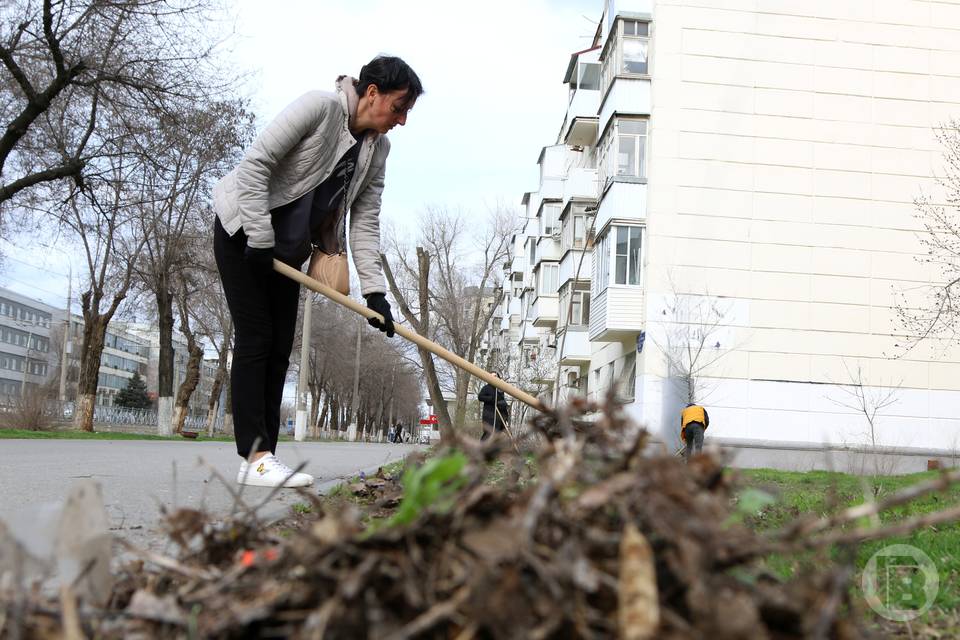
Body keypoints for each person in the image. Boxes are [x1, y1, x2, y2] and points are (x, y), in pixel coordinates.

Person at [212, 56, 423, 487]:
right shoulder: (319, 108)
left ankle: (261, 460)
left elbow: (364, 220)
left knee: (278, 350)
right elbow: (256, 165)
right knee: (256, 339)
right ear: (372, 93)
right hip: (244, 232)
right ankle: (256, 457)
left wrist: (375, 293)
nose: (401, 120)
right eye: (399, 107)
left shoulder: (377, 150)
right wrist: (258, 235)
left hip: (286, 252)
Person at [478, 373, 510, 440]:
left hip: (500, 416)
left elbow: (501, 400)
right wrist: (491, 398)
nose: (493, 377)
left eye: (495, 376)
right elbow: (480, 397)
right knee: (488, 433)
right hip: (489, 416)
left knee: (499, 434)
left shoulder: (500, 388)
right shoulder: (486, 388)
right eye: (491, 376)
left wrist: (506, 416)